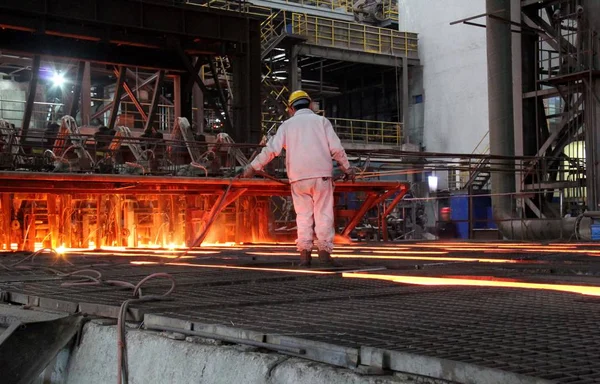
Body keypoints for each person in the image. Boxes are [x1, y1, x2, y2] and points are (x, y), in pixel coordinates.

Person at [241, 90, 355, 267]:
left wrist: (252, 167)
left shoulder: (287, 126)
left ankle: (304, 257)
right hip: (321, 177)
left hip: (298, 179)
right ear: (310, 105)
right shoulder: (322, 122)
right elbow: (336, 149)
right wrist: (347, 169)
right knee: (323, 215)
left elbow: (271, 150)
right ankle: (324, 255)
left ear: (291, 108)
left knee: (303, 216)